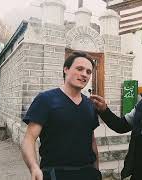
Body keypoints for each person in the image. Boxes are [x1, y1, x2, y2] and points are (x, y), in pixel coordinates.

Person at [21, 51, 102, 180]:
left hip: (87, 173)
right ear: (66, 69)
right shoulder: (45, 99)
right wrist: (34, 167)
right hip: (55, 173)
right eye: (79, 69)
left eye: (88, 72)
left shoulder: (89, 105)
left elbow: (91, 140)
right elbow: (29, 139)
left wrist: (97, 170)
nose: (84, 74)